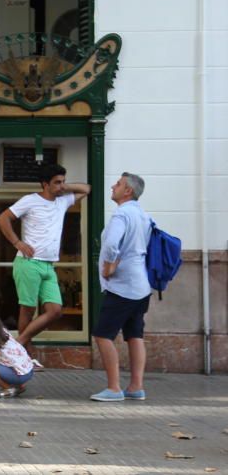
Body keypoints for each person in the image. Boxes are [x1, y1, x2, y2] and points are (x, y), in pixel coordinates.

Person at [0, 163, 90, 366]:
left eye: (63, 182)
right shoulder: (30, 200)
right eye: (57, 182)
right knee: (27, 310)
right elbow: (3, 218)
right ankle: (24, 357)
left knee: (55, 310)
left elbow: (87, 189)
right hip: (28, 262)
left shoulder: (62, 201)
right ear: (44, 184)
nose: (61, 186)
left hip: (48, 265)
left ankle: (19, 344)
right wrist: (17, 242)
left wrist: (65, 186)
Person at [90, 172, 152, 402]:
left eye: (118, 184)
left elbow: (111, 245)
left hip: (122, 287)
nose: (113, 186)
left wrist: (108, 267)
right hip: (141, 284)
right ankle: (136, 386)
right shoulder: (143, 215)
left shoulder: (121, 214)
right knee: (134, 334)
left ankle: (114, 388)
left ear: (128, 191)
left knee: (102, 335)